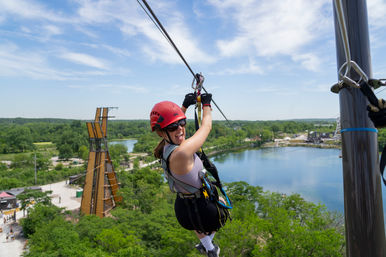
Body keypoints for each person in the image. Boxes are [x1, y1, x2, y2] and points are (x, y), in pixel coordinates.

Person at [150, 93, 228, 257]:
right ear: (162, 133)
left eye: (182, 123)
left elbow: (172, 126)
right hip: (202, 208)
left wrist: (183, 106)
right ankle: (209, 245)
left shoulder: (165, 147)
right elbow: (206, 127)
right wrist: (207, 105)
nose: (180, 128)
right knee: (222, 208)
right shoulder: (182, 153)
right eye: (174, 127)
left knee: (200, 220)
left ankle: (208, 247)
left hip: (183, 209)